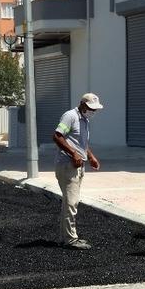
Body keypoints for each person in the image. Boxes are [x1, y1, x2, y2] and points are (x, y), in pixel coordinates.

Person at [53, 93, 103, 250]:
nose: (93, 112)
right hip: (67, 166)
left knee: (69, 203)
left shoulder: (84, 120)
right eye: (90, 108)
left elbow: (80, 143)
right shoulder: (71, 116)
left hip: (78, 165)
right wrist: (73, 154)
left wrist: (91, 156)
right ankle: (71, 239)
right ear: (82, 104)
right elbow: (57, 136)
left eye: (95, 109)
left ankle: (64, 237)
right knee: (71, 203)